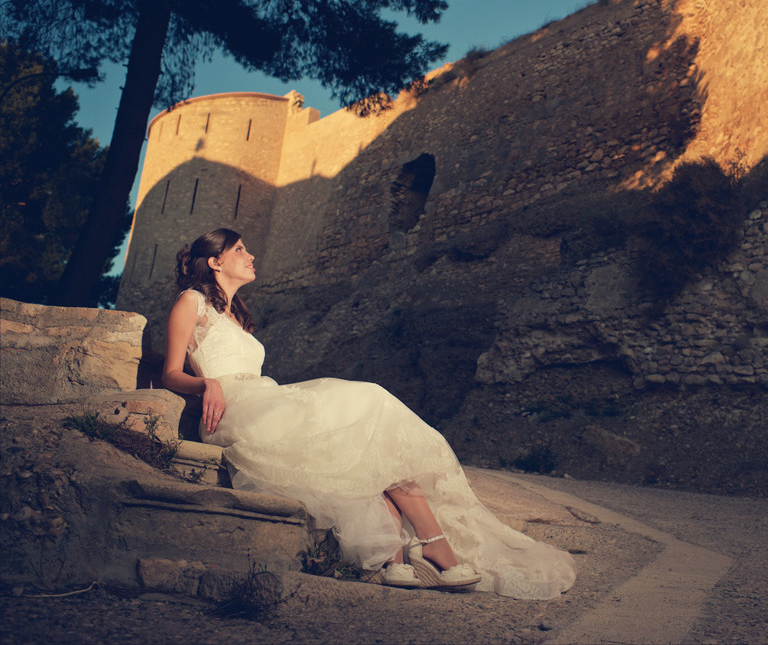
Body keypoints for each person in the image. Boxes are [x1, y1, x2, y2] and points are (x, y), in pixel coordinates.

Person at [162, 228, 576, 598]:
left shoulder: (239, 317)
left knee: (370, 436)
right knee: (367, 405)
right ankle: (431, 545)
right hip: (236, 411)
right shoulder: (191, 301)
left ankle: (396, 558)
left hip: (264, 399)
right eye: (239, 249)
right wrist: (207, 383)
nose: (251, 256)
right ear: (215, 261)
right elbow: (170, 373)